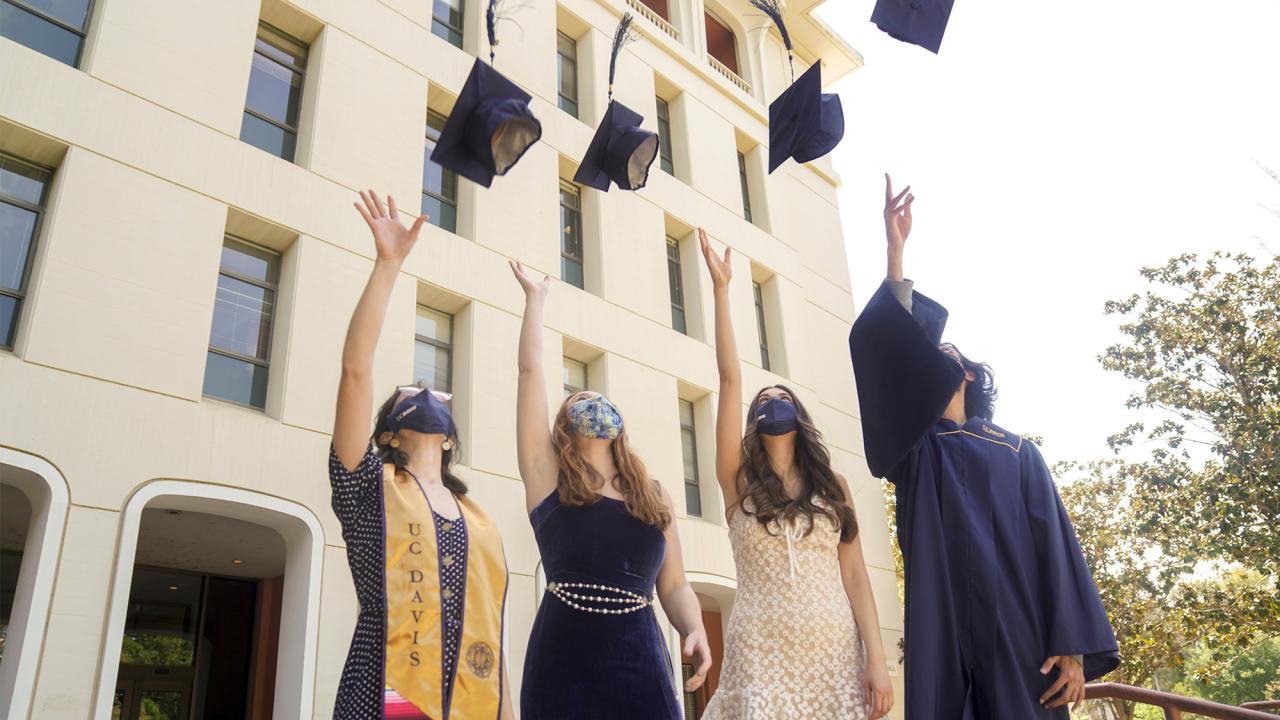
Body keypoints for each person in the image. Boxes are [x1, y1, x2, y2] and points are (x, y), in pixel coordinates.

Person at [848, 176, 1119, 718]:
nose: (932, 360)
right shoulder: (917, 453)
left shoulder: (1019, 454)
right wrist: (894, 254)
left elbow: (1058, 552)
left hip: (1017, 632)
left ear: (968, 373)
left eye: (943, 353)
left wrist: (1070, 647)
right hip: (941, 627)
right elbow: (886, 355)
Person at [695, 229, 894, 719]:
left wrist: (878, 659)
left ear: (799, 416)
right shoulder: (736, 481)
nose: (773, 402)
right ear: (753, 423)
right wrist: (721, 292)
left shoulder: (833, 487)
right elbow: (729, 378)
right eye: (764, 402)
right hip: (760, 648)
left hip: (832, 650)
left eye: (783, 398)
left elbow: (855, 576)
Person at [330, 191, 513, 720]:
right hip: (384, 692)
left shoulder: (479, 520)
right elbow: (355, 372)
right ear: (390, 433)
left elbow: (493, 637)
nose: (429, 397)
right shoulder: (367, 486)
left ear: (451, 438)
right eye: (411, 397)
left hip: (471, 702)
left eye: (440, 399)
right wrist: (388, 266)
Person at [509, 261, 713, 719]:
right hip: (563, 657)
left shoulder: (654, 495)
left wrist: (694, 626)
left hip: (640, 661)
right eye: (577, 401)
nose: (590, 400)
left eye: (598, 398)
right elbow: (530, 373)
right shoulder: (548, 482)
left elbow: (675, 583)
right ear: (563, 427)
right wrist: (535, 303)